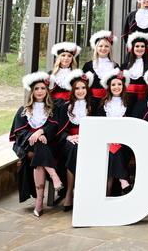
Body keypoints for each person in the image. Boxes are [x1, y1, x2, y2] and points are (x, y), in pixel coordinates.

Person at [10, 72, 63, 217]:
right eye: (36, 89)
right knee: (39, 147)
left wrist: (41, 132)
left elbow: (54, 127)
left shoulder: (52, 109)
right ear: (32, 91)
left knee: (38, 156)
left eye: (43, 88)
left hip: (47, 144)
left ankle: (39, 202)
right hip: (26, 146)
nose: (40, 91)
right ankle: (54, 175)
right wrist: (33, 136)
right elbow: (19, 133)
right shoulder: (23, 111)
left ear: (47, 91)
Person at [55, 70, 95, 211]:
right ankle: (70, 191)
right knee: (74, 149)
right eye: (77, 88)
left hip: (90, 140)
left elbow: (98, 127)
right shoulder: (65, 107)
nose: (80, 91)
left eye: (83, 87)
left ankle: (78, 191)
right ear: (72, 90)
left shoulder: (94, 105)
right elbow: (60, 130)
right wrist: (69, 137)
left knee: (79, 149)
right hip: (69, 141)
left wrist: (84, 137)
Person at [96, 69, 132, 195]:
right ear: (109, 87)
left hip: (125, 141)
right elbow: (99, 126)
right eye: (113, 85)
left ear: (123, 86)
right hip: (106, 140)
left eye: (119, 84)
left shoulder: (130, 102)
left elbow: (132, 124)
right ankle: (123, 180)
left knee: (115, 151)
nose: (116, 87)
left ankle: (108, 192)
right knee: (112, 150)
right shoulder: (102, 104)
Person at [82, 31, 119, 101]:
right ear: (96, 48)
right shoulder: (88, 65)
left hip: (110, 100)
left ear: (110, 49)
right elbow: (83, 85)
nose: (103, 48)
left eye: (106, 46)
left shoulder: (115, 66)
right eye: (100, 46)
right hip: (92, 101)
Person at [123, 31, 148, 101]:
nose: (140, 48)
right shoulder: (124, 66)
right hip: (127, 98)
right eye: (137, 46)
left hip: (144, 98)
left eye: (142, 46)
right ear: (133, 48)